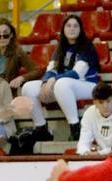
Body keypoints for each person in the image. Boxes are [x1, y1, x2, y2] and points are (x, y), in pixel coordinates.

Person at [21, 14, 100, 142]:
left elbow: (77, 73)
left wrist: (53, 80)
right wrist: (46, 82)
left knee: (61, 84)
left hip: (88, 85)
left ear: (80, 29)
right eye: (68, 26)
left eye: (75, 26)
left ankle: (75, 128)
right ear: (63, 29)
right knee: (28, 88)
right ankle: (41, 129)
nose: (72, 29)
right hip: (64, 86)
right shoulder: (60, 47)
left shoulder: (86, 46)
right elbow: (51, 69)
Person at [76, 82, 112, 156]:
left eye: (108, 101)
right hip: (103, 155)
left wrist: (99, 153)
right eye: (101, 102)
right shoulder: (89, 114)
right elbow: (83, 141)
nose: (105, 106)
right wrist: (85, 152)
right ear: (95, 103)